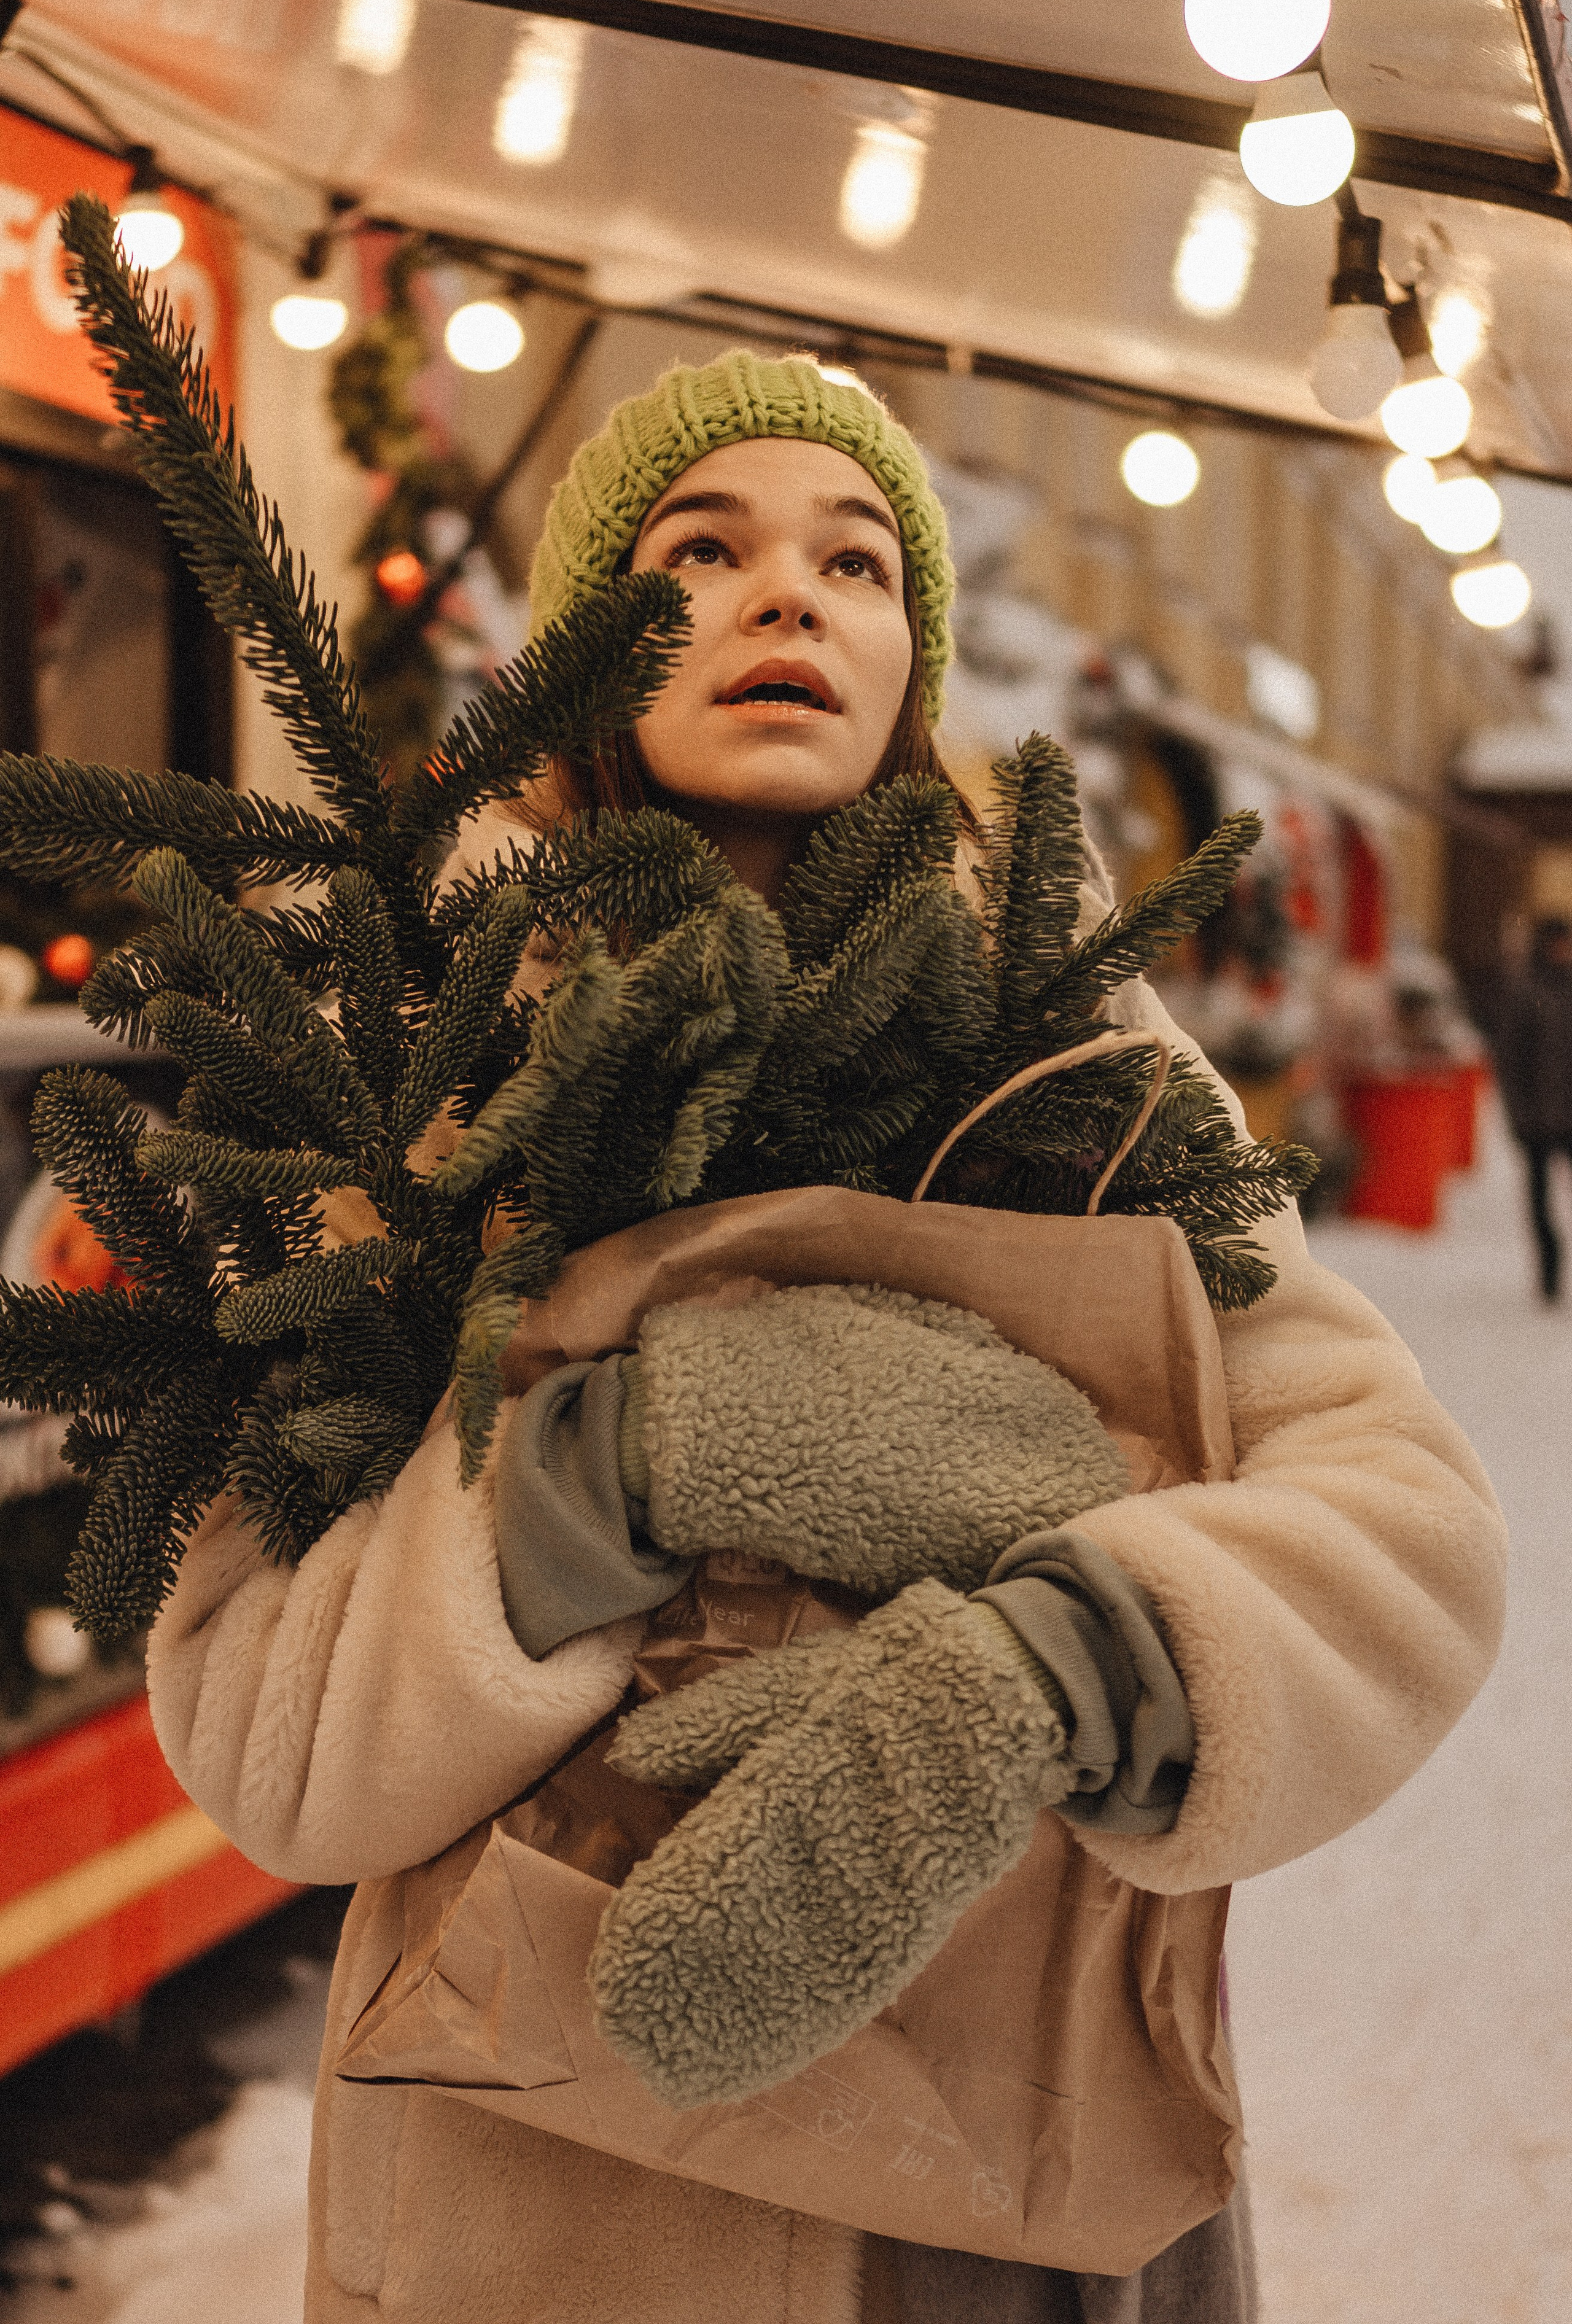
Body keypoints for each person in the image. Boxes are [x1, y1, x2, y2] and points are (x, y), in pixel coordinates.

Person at [144, 354, 1506, 2324]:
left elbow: (1403, 1529)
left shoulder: (1086, 1064)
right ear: (584, 650)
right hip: (537, 2208)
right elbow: (262, 1725)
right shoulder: (419, 1081)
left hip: (985, 2193)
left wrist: (1059, 1666)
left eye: (857, 561)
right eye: (701, 550)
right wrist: (604, 1471)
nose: (788, 594)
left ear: (914, 656)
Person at [1493, 912, 1572, 1300]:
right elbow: (1510, 1060)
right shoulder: (1524, 991)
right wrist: (1518, 1114)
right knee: (1540, 1199)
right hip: (1538, 1116)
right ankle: (1549, 1268)